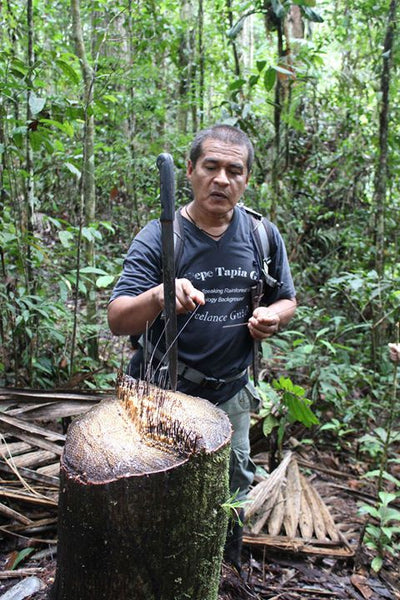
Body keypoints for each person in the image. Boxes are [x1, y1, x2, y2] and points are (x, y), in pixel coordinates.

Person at [108, 124, 296, 570]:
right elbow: (118, 318)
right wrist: (159, 296)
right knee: (148, 486)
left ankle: (223, 571)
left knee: (232, 487)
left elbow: (287, 299)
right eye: (210, 167)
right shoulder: (161, 236)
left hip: (230, 391)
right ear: (190, 171)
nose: (221, 180)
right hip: (160, 389)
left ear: (247, 179)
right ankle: (143, 574)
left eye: (234, 170)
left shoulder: (261, 236)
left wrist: (273, 317)